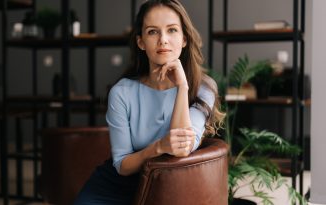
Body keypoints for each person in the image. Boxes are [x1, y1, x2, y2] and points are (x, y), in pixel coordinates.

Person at [73, 0, 224, 204]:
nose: (163, 40)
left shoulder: (203, 87)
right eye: (153, 31)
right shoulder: (122, 92)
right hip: (115, 187)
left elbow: (182, 149)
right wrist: (158, 147)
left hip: (170, 188)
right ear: (141, 42)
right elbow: (122, 164)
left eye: (172, 30)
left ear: (184, 39)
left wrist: (182, 87)